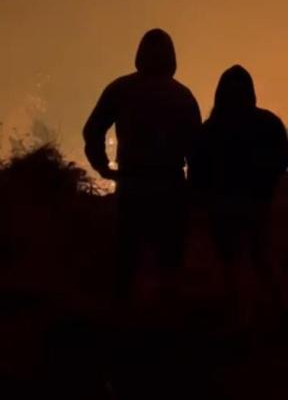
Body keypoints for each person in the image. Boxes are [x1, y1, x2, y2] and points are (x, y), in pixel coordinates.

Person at [83, 29, 201, 300]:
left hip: (131, 183)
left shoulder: (121, 89)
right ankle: (167, 321)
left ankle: (122, 317)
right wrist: (194, 189)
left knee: (127, 255)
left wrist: (102, 166)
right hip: (170, 185)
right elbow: (196, 149)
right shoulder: (183, 96)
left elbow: (92, 130)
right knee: (169, 259)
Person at [191, 65, 288, 315]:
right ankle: (279, 313)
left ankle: (238, 315)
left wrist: (201, 201)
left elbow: (197, 168)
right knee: (262, 258)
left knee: (230, 263)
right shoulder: (269, 123)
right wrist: (267, 183)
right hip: (258, 203)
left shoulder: (210, 130)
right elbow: (284, 158)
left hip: (222, 207)